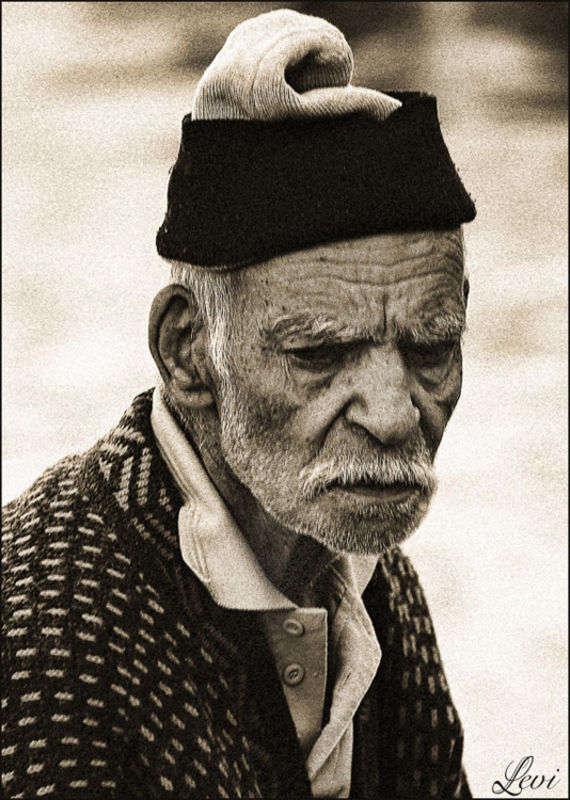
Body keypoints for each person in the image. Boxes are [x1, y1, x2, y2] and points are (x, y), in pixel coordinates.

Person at [2, 9, 476, 799]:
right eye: (319, 354)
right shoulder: (40, 637)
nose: (395, 415)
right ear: (188, 353)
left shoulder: (372, 583)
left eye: (430, 347)